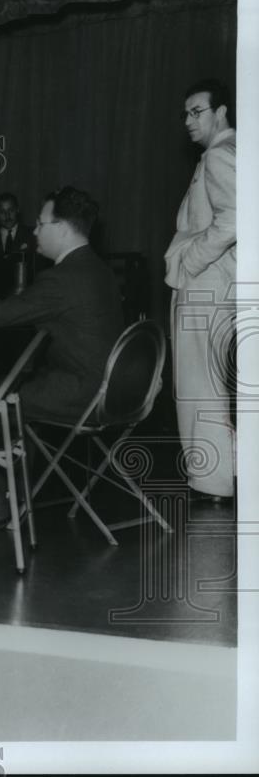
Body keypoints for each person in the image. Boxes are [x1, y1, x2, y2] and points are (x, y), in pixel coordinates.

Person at [0, 186, 123, 532]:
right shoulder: (100, 271)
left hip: (79, 395)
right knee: (22, 393)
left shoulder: (62, 277)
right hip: (113, 393)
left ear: (63, 228)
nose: (34, 231)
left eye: (41, 224)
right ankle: (17, 498)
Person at [164, 79, 236, 504]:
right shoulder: (228, 154)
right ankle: (217, 478)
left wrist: (190, 263)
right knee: (207, 384)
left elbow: (233, 221)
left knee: (198, 385)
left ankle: (210, 485)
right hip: (215, 284)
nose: (189, 121)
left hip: (206, 283)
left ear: (221, 112)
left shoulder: (218, 156)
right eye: (186, 114)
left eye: (198, 112)